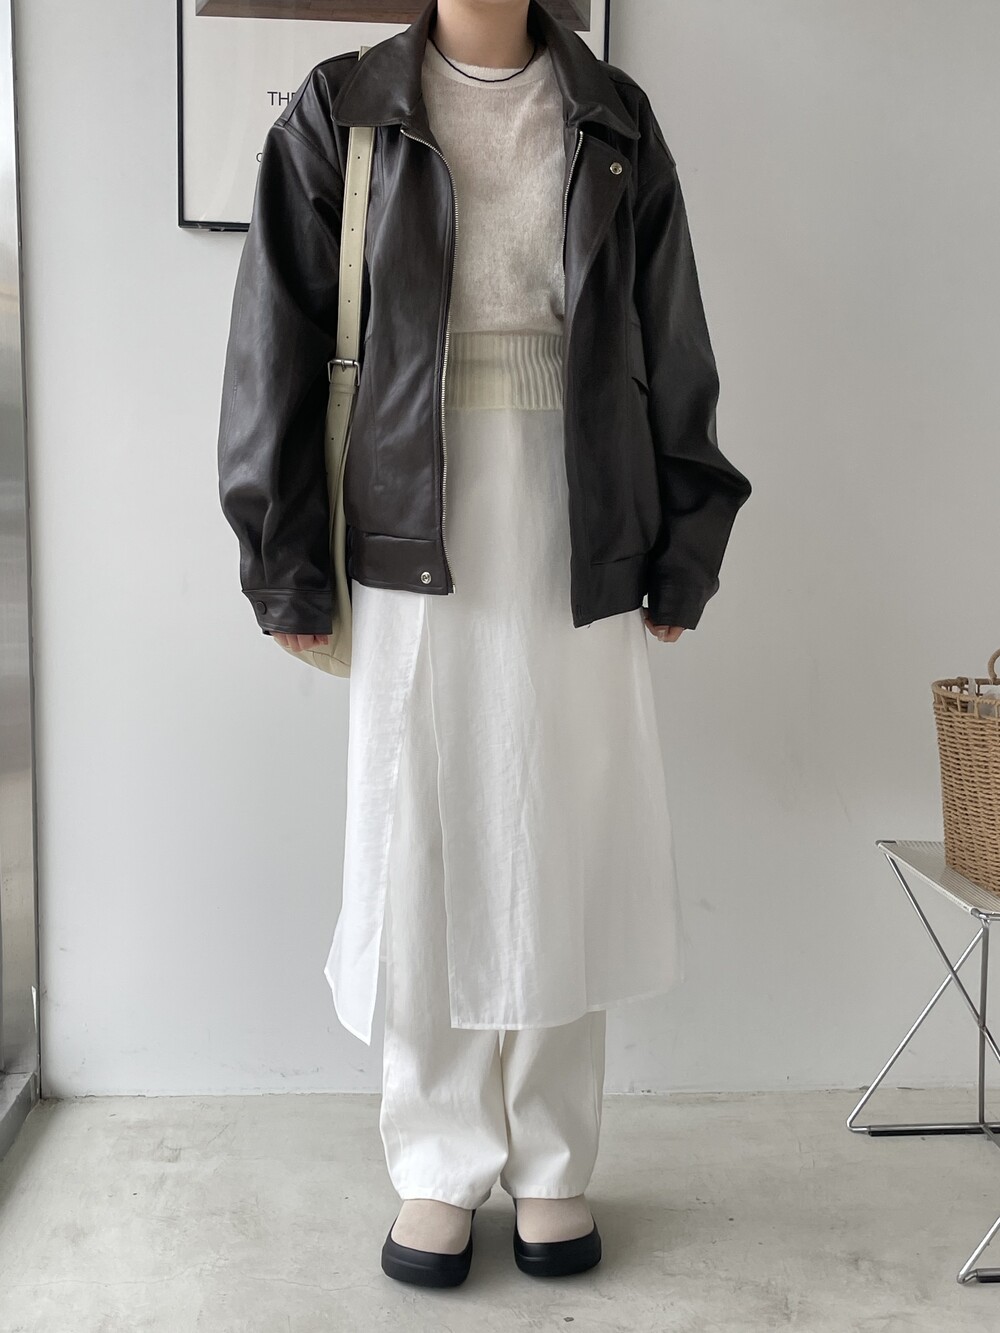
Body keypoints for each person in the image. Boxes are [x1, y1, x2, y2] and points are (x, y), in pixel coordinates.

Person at [217, 0, 752, 1290]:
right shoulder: (340, 109)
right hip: (412, 508)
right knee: (422, 843)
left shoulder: (612, 115)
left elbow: (673, 339)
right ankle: (437, 1160)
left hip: (578, 511)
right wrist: (282, 560)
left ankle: (556, 1159)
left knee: (567, 837)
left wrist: (684, 542)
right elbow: (275, 339)